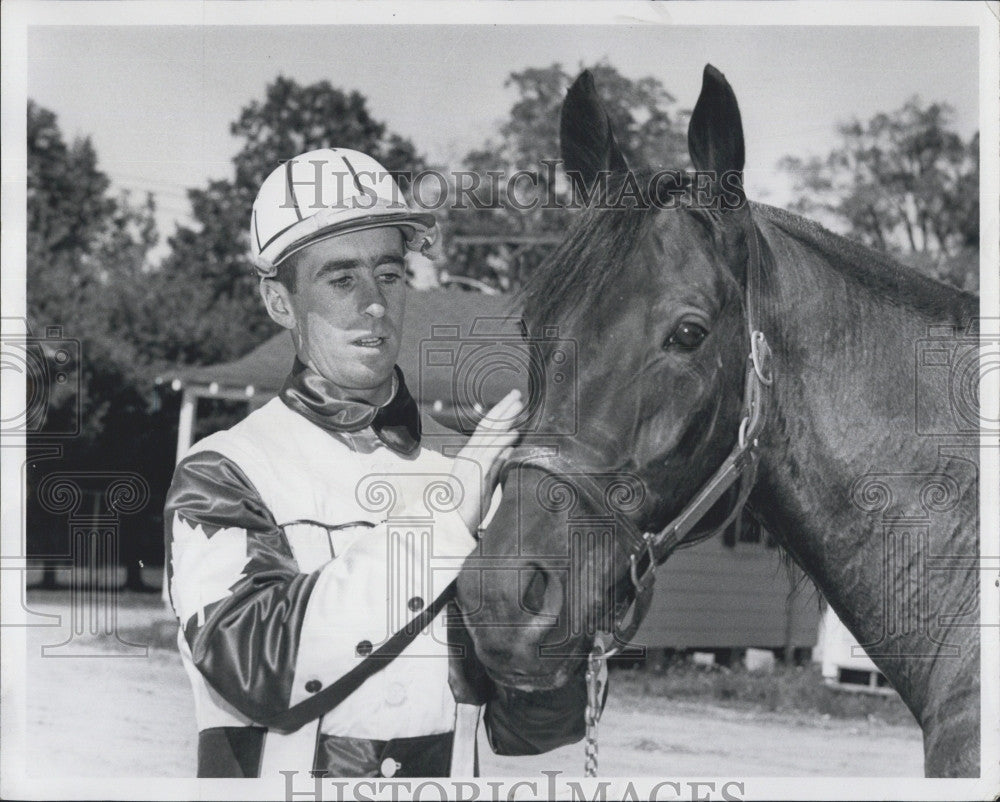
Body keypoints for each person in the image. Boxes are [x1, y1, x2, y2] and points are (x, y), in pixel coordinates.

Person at [165, 148, 590, 779]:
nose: (373, 305)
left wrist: (572, 606)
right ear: (281, 302)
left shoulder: (471, 466)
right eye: (341, 280)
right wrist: (449, 519)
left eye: (389, 276)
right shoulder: (223, 471)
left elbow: (525, 729)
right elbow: (252, 667)